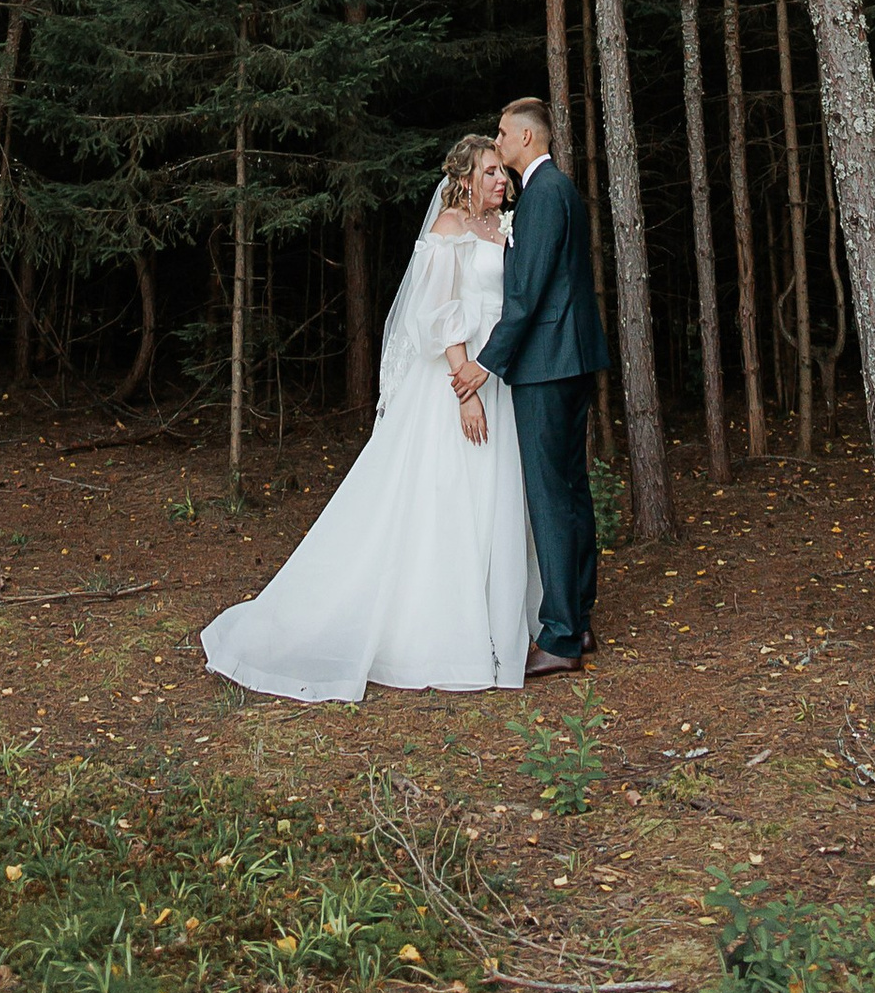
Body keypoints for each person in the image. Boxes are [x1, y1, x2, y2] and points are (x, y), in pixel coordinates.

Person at [199, 136, 538, 703]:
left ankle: (494, 624)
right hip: (458, 378)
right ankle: (439, 630)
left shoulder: (502, 228)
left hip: (497, 376)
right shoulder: (450, 227)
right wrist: (464, 389)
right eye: (489, 172)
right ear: (464, 180)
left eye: (503, 171)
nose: (501, 180)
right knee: (447, 494)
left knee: (493, 493)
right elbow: (437, 312)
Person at [454, 95, 608, 677]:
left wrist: (486, 364)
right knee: (570, 491)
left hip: (547, 363)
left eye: (501, 133)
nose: (497, 141)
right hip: (568, 358)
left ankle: (561, 637)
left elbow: (527, 295)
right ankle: (579, 618)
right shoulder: (555, 190)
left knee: (550, 496)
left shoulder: (543, 193)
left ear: (525, 137)